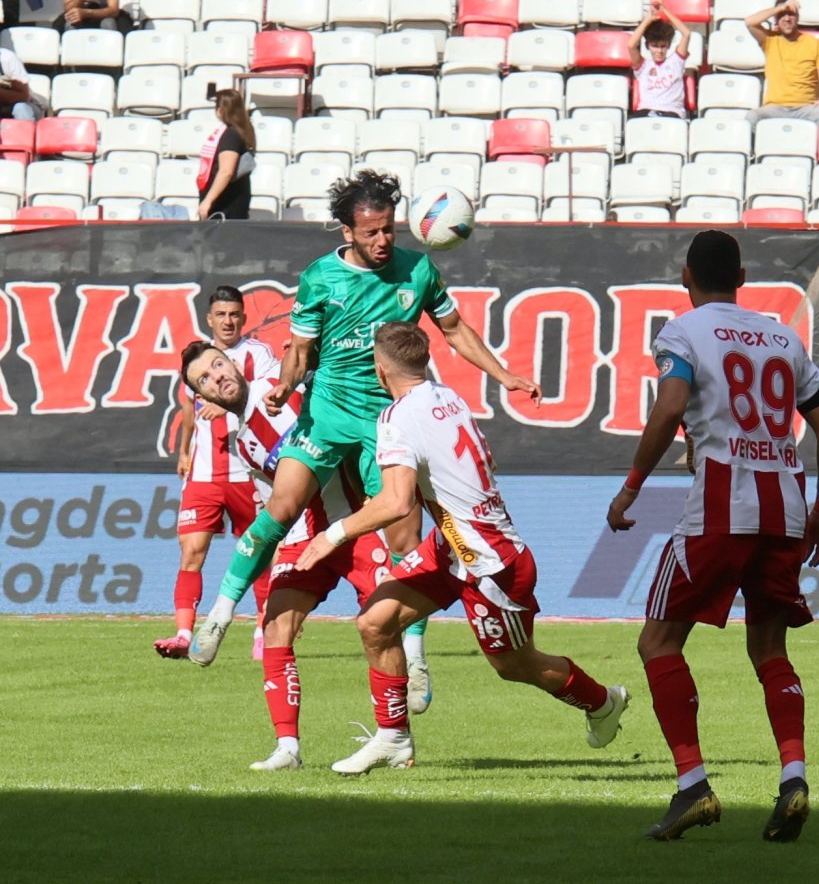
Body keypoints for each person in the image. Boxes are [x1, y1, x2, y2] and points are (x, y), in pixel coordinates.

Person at [188, 169, 542, 720]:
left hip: (387, 424)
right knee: (280, 508)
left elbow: (453, 330)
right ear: (347, 231)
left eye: (388, 231)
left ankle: (418, 657)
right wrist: (284, 384)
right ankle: (218, 613)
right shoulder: (319, 279)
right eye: (371, 232)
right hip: (327, 416)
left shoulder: (418, 269)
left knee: (406, 535)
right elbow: (300, 351)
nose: (382, 242)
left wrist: (503, 375)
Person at [294, 322, 629, 774]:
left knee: (515, 665)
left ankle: (603, 702)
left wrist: (332, 534)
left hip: (492, 565)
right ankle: (393, 738)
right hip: (453, 547)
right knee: (376, 623)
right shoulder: (446, 395)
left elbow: (396, 502)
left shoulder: (396, 418)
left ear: (379, 369)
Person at [606, 230, 819, 842]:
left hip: (719, 512)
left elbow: (669, 407)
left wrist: (631, 487)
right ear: (742, 277)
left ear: (686, 277)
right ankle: (793, 778)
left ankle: (693, 786)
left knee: (658, 643)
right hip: (785, 514)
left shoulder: (683, 334)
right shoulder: (783, 336)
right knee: (769, 651)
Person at [180, 340, 391, 771]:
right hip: (304, 535)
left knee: (384, 622)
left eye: (218, 365)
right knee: (275, 627)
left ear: (233, 363)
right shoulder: (244, 446)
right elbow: (275, 508)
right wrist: (279, 552)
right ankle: (287, 749)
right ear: (202, 398)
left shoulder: (283, 386)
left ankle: (395, 734)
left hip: (352, 523)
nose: (217, 376)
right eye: (205, 379)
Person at [154, 286, 279, 661]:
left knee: (259, 554)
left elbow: (271, 393)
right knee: (191, 551)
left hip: (247, 472)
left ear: (243, 317)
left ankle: (263, 631)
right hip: (205, 473)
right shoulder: (197, 363)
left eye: (234, 314)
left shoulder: (258, 355)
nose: (228, 321)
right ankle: (182, 634)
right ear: (210, 319)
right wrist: (184, 450)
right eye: (221, 315)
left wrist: (227, 407)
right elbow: (191, 410)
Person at [744, 0, 819, 130]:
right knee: (752, 116)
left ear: (797, 18)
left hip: (805, 107)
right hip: (775, 107)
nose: (787, 18)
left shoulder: (814, 44)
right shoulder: (769, 40)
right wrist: (781, 7)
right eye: (782, 15)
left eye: (791, 14)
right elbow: (749, 22)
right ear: (775, 19)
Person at [628, 0, 691, 119]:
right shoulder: (643, 66)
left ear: (668, 46)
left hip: (671, 112)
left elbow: (686, 33)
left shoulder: (676, 61)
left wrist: (664, 10)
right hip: (645, 111)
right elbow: (630, 45)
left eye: (663, 46)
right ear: (647, 46)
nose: (659, 51)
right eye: (655, 46)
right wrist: (648, 19)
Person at [197, 89, 254, 221]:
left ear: (221, 109)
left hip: (226, 202)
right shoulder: (243, 130)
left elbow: (226, 171)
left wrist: (208, 201)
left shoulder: (231, 135)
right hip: (233, 197)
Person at [0, 48, 43, 121]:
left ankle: (27, 131)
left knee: (20, 109)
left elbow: (24, 97)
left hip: (25, 105)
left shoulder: (7, 58)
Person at [52, 0, 134, 34]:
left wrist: (87, 13)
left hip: (103, 12)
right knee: (63, 24)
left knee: (118, 24)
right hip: (80, 10)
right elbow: (69, 8)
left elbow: (113, 10)